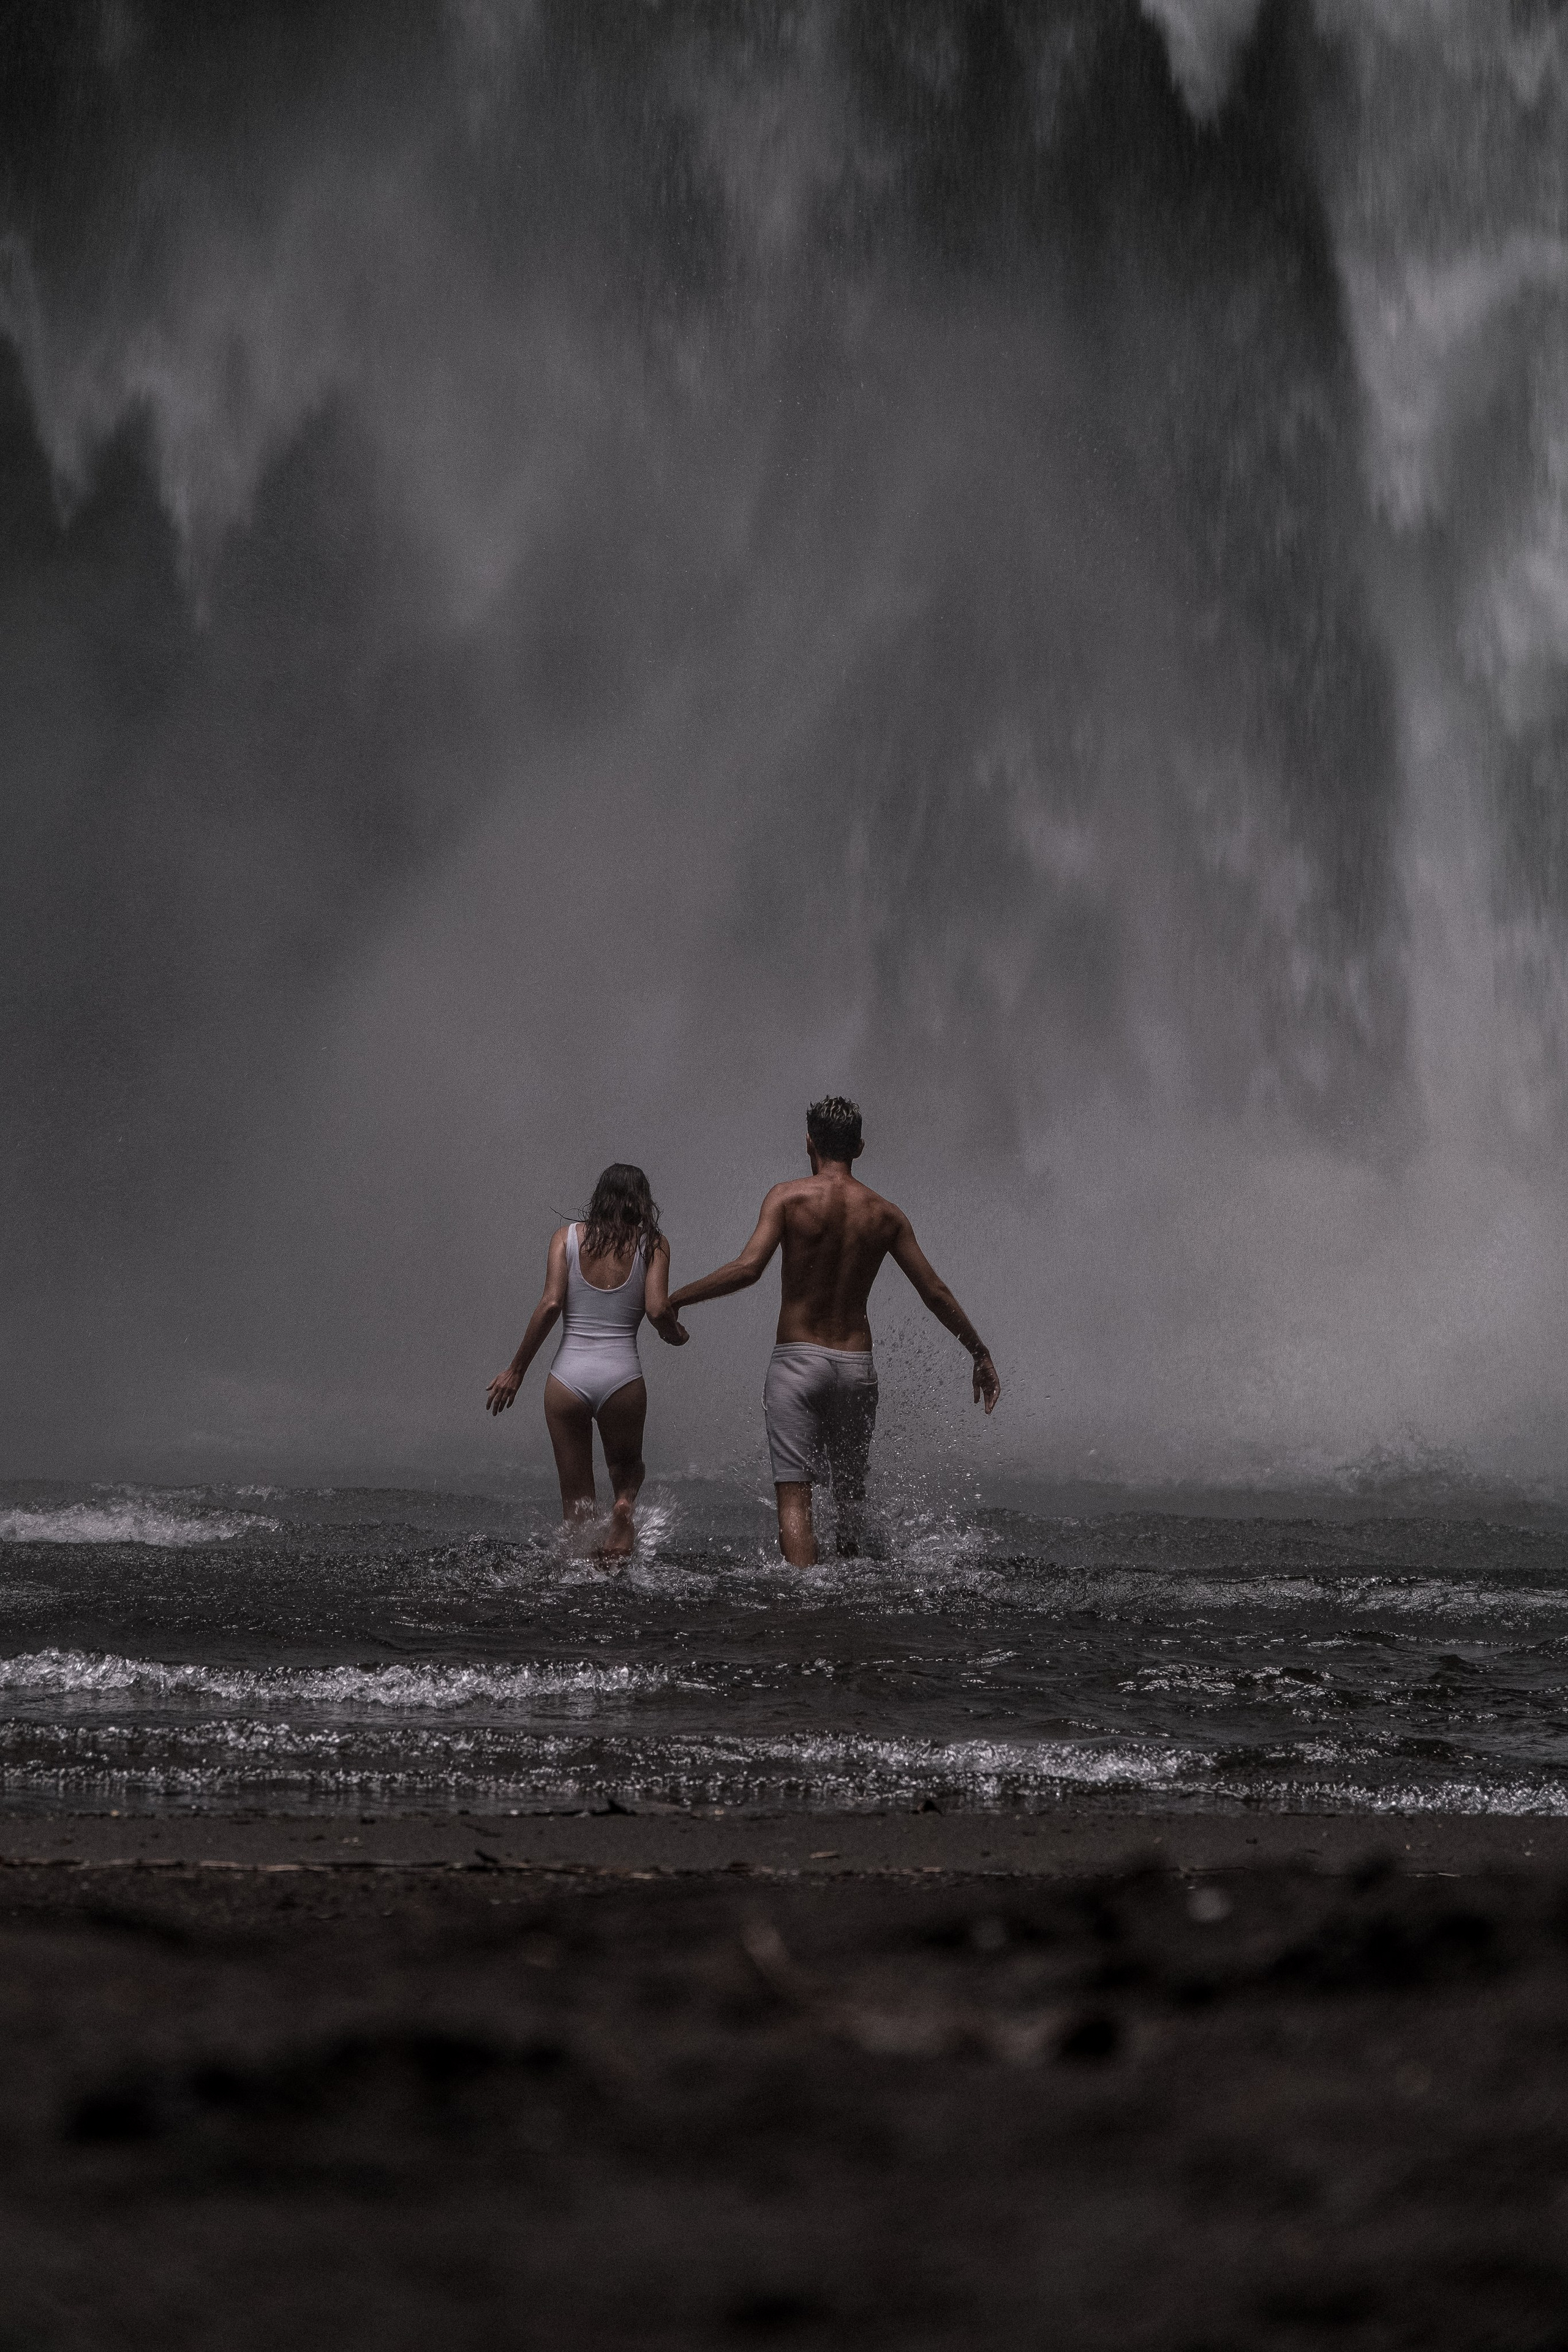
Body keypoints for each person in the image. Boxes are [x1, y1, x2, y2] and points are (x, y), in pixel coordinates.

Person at [666, 1097, 1000, 1566]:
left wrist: (678, 1298)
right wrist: (979, 1352)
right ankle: (849, 1586)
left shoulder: (787, 1197)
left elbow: (747, 1269)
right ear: (859, 1147)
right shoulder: (886, 1215)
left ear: (809, 1142)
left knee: (795, 1502)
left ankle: (808, 1601)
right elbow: (935, 1292)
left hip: (798, 1364)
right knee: (849, 1499)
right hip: (856, 1369)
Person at [486, 1163, 686, 1558]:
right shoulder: (654, 1244)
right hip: (622, 1376)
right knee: (628, 1468)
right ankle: (624, 1507)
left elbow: (551, 1305)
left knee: (576, 1500)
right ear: (643, 1202)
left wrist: (516, 1370)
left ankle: (583, 1574)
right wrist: (675, 1335)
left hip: (567, 1378)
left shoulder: (566, 1238)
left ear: (600, 1197)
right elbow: (657, 1309)